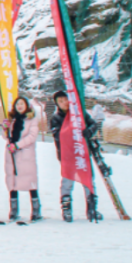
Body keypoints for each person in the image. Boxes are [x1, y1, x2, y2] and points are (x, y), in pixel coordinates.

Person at [49, 90, 101, 222]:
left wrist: (88, 131)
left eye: (65, 100)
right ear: (57, 105)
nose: (64, 103)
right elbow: (58, 136)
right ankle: (66, 209)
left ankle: (92, 208)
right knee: (67, 181)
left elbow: (93, 124)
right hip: (67, 155)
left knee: (88, 179)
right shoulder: (56, 119)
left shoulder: (80, 114)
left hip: (82, 153)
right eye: (60, 101)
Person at [4, 96, 41, 222]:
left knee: (30, 181)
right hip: (12, 155)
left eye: (22, 104)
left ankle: (36, 210)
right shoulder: (13, 120)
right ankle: (13, 210)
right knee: (12, 182)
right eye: (17, 104)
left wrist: (17, 145)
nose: (19, 106)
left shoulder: (32, 120)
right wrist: (5, 129)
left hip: (26, 156)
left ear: (27, 106)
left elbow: (32, 137)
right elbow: (7, 137)